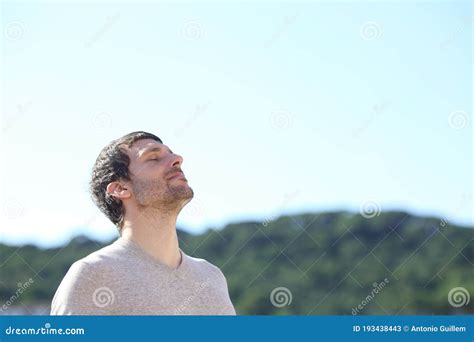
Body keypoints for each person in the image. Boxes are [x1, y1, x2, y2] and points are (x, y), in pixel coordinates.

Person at [51, 131, 236, 315]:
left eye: (171, 153)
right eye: (153, 157)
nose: (177, 158)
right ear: (121, 188)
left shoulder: (212, 278)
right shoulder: (93, 276)